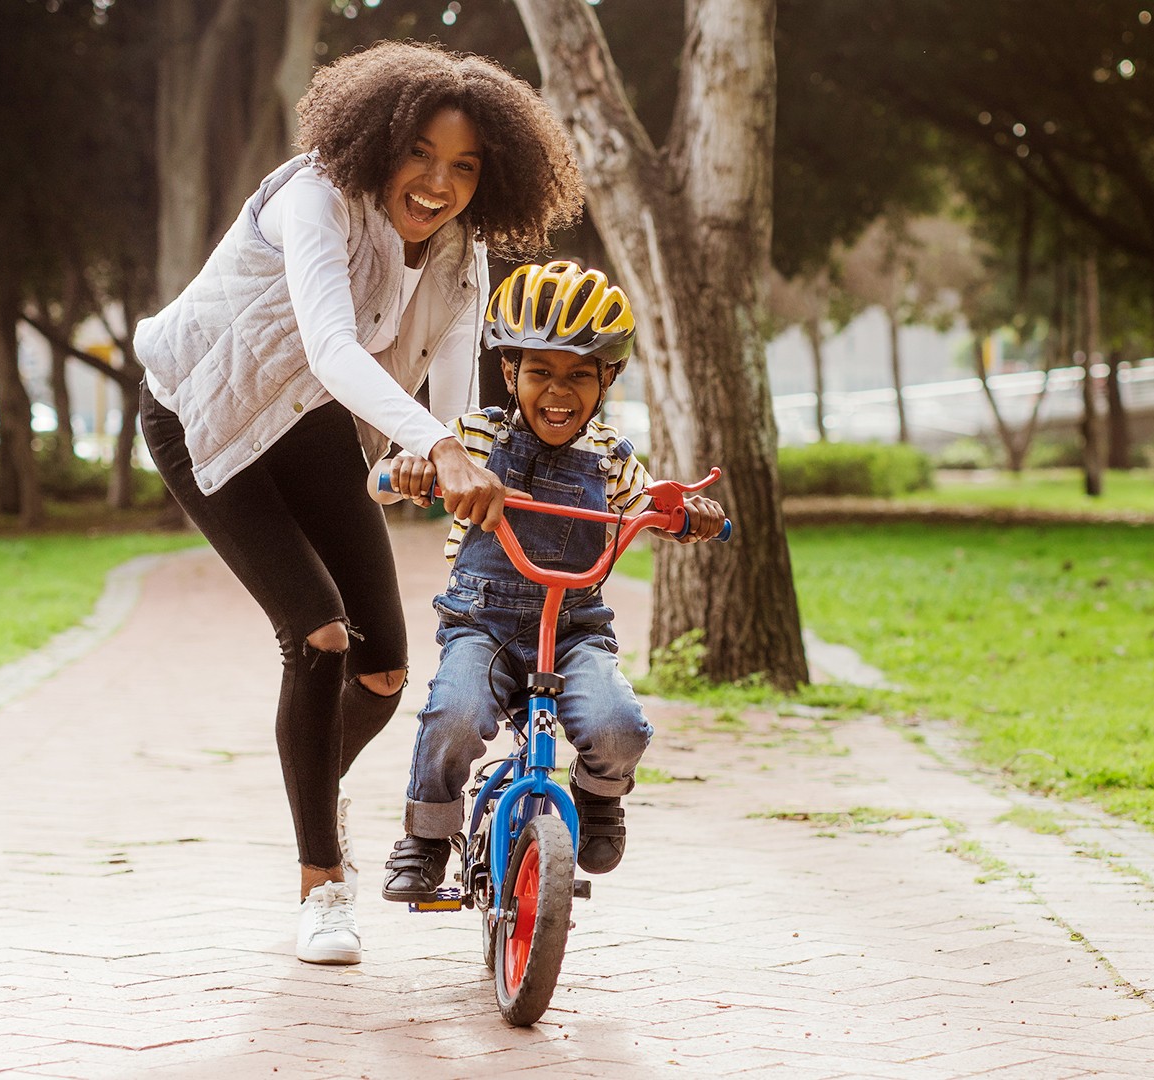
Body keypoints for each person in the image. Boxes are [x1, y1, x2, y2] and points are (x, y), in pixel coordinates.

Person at [131, 41, 584, 966]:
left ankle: (309, 786)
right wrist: (436, 445)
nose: (437, 182)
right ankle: (321, 883)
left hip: (310, 430)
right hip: (203, 416)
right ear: (378, 140)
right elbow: (333, 348)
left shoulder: (465, 251)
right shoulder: (314, 199)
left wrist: (458, 453)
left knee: (381, 672)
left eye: (464, 166)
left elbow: (457, 377)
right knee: (320, 636)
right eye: (420, 152)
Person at [374, 261, 727, 903]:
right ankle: (426, 837)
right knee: (454, 715)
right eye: (539, 372)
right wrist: (407, 472)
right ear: (510, 373)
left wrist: (686, 514)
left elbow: (652, 500)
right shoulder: (474, 437)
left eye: (579, 375)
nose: (557, 392)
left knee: (619, 724)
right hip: (484, 625)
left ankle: (599, 798)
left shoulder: (612, 456)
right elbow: (398, 473)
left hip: (574, 630)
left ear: (607, 379)